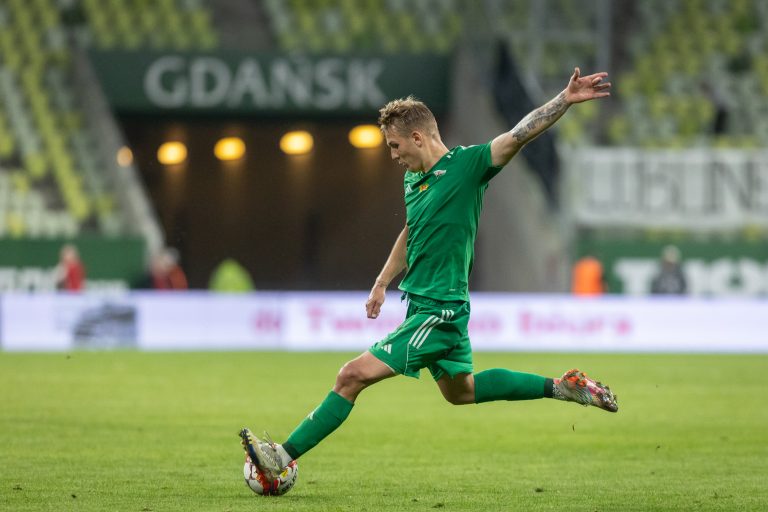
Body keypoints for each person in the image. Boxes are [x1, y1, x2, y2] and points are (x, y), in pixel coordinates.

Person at [240, 68, 618, 480]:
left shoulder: (469, 166)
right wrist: (383, 282)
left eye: (395, 144)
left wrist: (564, 99)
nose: (392, 154)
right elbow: (411, 231)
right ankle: (562, 387)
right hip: (425, 304)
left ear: (418, 138)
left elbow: (519, 133)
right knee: (461, 391)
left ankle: (282, 455)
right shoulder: (413, 181)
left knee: (350, 376)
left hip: (439, 311)